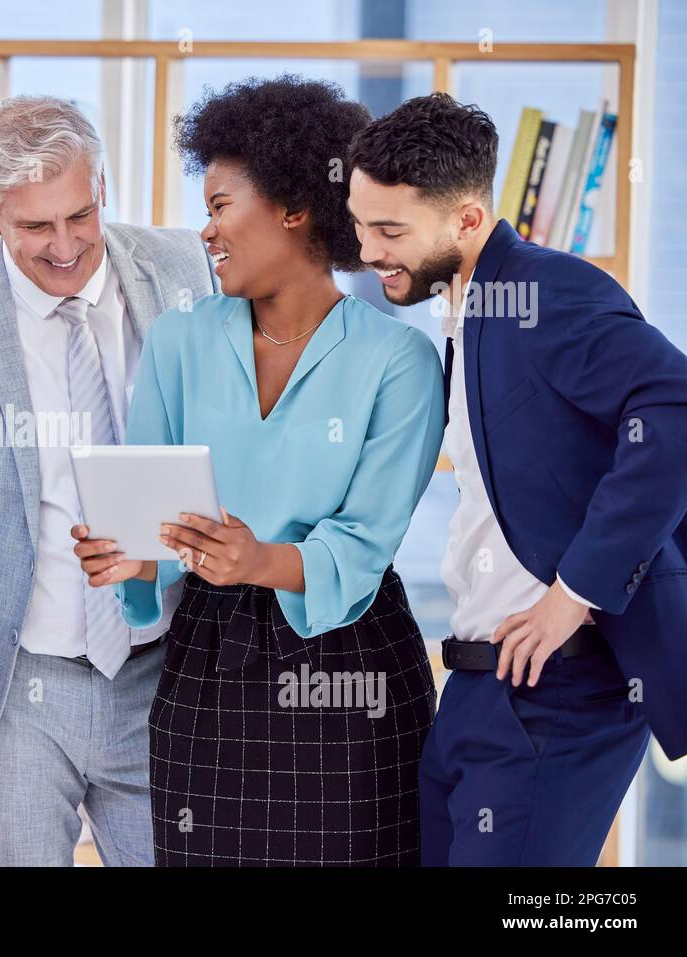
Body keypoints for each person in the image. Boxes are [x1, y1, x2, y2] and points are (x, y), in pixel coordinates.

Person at [74, 76, 444, 866]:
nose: (205, 232)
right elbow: (154, 513)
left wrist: (259, 559)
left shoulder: (398, 362)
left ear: (295, 207)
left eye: (219, 206)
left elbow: (366, 541)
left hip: (350, 664)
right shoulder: (181, 341)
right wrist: (134, 558)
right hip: (210, 663)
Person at [0, 95, 216, 866]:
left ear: (103, 188)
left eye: (79, 215)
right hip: (7, 688)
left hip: (164, 669)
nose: (65, 247)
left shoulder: (187, 269)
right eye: (34, 227)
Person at [348, 92, 687, 866]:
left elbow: (675, 406)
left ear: (468, 221)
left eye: (391, 230)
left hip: (558, 693)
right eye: (362, 223)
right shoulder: (464, 311)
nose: (369, 250)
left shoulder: (545, 291)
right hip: (476, 685)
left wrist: (577, 593)